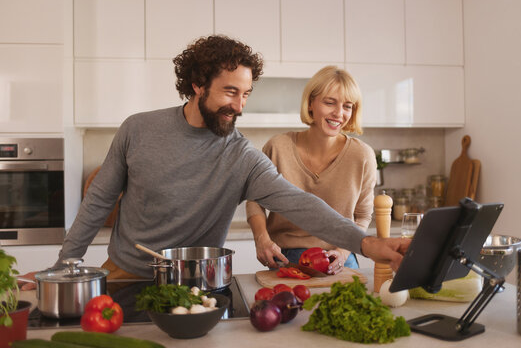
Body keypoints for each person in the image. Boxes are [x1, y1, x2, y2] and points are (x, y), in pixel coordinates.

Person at [20, 35, 409, 289]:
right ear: (197, 84)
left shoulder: (241, 155)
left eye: (246, 94)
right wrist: (64, 264)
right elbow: (99, 201)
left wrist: (367, 243)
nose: (239, 106)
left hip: (200, 284)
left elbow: (300, 204)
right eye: (229, 92)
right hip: (125, 276)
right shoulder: (137, 129)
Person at [246, 66, 376, 275]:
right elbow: (255, 201)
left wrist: (342, 252)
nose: (339, 113)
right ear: (311, 104)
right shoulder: (278, 147)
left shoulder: (362, 155)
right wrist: (261, 238)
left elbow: (362, 216)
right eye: (329, 102)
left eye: (347, 106)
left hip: (340, 256)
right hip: (286, 255)